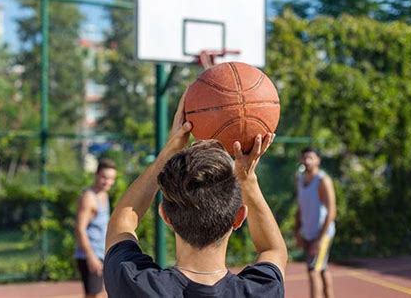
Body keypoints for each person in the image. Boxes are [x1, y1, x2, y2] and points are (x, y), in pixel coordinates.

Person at [103, 90, 287, 298]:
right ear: (239, 218)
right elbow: (274, 250)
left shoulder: (135, 285)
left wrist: (169, 151)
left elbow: (121, 222)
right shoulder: (260, 292)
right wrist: (247, 180)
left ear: (166, 216)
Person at [295, 148, 337, 298]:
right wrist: (297, 231)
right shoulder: (300, 179)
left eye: (311, 158)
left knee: (313, 271)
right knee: (322, 269)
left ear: (318, 160)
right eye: (305, 158)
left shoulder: (323, 181)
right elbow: (300, 207)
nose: (307, 161)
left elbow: (332, 212)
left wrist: (319, 239)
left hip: (322, 234)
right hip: (308, 232)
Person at [75, 159, 117, 298]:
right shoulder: (89, 198)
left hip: (101, 253)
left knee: (100, 293)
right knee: (93, 295)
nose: (108, 182)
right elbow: (80, 229)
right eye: (104, 177)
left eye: (111, 179)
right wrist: (91, 257)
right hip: (90, 255)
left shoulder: (104, 194)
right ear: (96, 175)